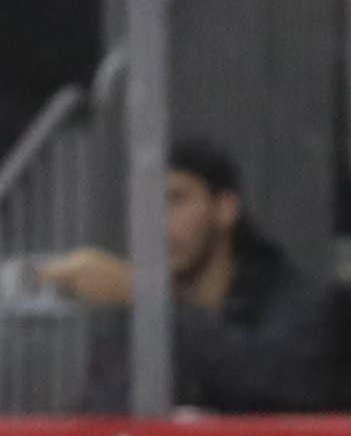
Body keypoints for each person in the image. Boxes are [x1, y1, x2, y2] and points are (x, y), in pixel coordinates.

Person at [46, 136, 331, 413]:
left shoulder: (290, 301)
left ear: (225, 209)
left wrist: (147, 298)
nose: (157, 221)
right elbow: (100, 417)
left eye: (175, 200)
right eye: (145, 206)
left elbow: (287, 383)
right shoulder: (134, 321)